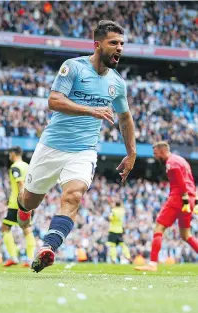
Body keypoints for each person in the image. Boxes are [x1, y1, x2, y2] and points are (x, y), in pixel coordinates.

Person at [17, 20, 136, 273]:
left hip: (83, 150)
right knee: (29, 201)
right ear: (97, 45)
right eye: (114, 43)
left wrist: (131, 153)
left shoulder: (117, 83)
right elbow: (54, 100)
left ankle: (48, 248)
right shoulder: (73, 67)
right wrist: (90, 110)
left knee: (74, 196)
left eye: (122, 44)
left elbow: (125, 118)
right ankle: (24, 209)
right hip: (51, 146)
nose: (119, 48)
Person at [136, 141, 198, 271]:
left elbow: (181, 183)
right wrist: (193, 200)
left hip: (179, 198)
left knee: (158, 228)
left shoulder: (171, 163)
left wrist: (185, 199)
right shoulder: (181, 160)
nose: (155, 156)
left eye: (156, 153)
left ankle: (152, 264)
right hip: (190, 198)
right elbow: (190, 180)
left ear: (162, 150)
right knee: (186, 235)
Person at [2, 146, 36, 267]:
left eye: (10, 153)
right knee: (27, 229)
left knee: (5, 227)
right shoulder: (27, 166)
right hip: (30, 201)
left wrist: (22, 200)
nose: (9, 156)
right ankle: (30, 258)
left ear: (13, 153)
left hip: (17, 203)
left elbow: (20, 183)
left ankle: (13, 257)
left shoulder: (15, 167)